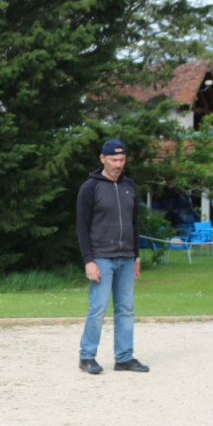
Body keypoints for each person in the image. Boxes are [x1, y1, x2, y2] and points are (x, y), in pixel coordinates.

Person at [76, 139, 149, 375]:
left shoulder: (129, 186)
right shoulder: (90, 187)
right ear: (103, 159)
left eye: (122, 160)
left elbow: (134, 222)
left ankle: (124, 357)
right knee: (98, 308)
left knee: (126, 308)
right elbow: (81, 227)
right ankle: (87, 356)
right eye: (114, 160)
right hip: (101, 258)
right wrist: (89, 260)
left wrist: (136, 256)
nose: (118, 164)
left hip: (126, 257)